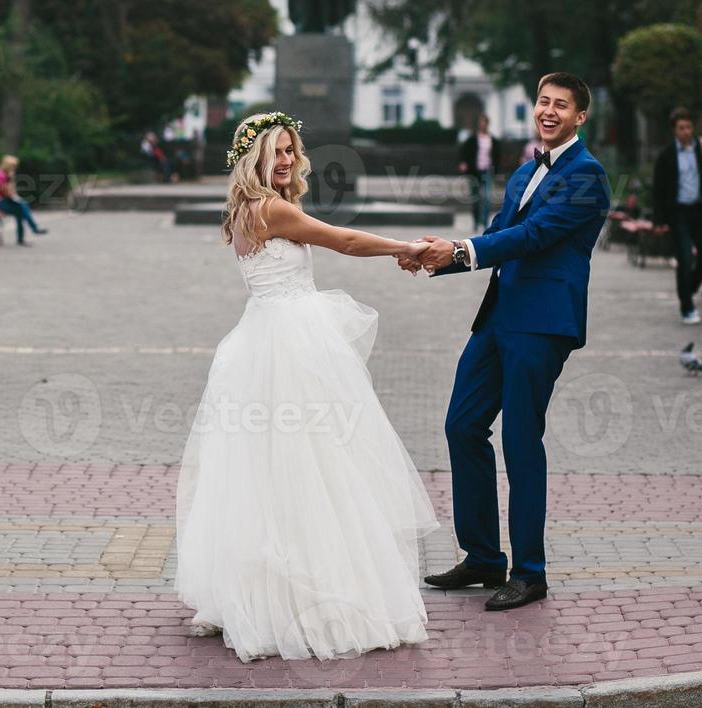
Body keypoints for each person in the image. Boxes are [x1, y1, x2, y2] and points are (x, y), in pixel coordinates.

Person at [175, 111, 439, 663]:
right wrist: (404, 248)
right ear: (255, 156)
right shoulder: (271, 208)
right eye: (277, 151)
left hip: (262, 337)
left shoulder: (243, 209)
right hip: (291, 343)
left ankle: (266, 594)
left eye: (292, 150)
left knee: (272, 469)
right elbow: (341, 239)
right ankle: (313, 598)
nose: (288, 159)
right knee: (317, 462)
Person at [399, 73, 610, 612]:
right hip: (498, 317)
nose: (549, 110)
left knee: (520, 440)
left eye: (561, 105)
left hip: (542, 323)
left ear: (579, 117)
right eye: (543, 101)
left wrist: (459, 251)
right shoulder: (522, 173)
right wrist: (430, 257)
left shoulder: (588, 176)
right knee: (462, 424)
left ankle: (530, 571)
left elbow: (534, 237)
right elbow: (498, 233)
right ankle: (484, 557)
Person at [651, 107, 702, 325]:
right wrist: (658, 220)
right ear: (674, 130)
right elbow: (658, 189)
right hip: (678, 213)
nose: (686, 132)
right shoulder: (666, 156)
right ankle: (687, 307)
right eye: (681, 128)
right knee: (685, 259)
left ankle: (687, 290)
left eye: (689, 127)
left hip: (700, 211)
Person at [0, 155, 47, 246]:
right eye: (14, 166)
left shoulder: (3, 175)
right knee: (21, 207)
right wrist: (11, 184)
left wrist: (11, 180)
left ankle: (27, 234)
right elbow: (6, 193)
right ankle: (32, 230)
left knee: (21, 208)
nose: (15, 168)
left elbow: (10, 192)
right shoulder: (0, 176)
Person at [458, 115, 501, 231]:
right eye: (481, 122)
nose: (483, 125)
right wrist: (463, 163)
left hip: (487, 171)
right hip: (474, 172)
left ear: (487, 124)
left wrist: (496, 169)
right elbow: (464, 151)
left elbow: (497, 156)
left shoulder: (492, 139)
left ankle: (485, 222)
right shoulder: (472, 139)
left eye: (484, 122)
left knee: (487, 198)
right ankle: (476, 222)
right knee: (476, 199)